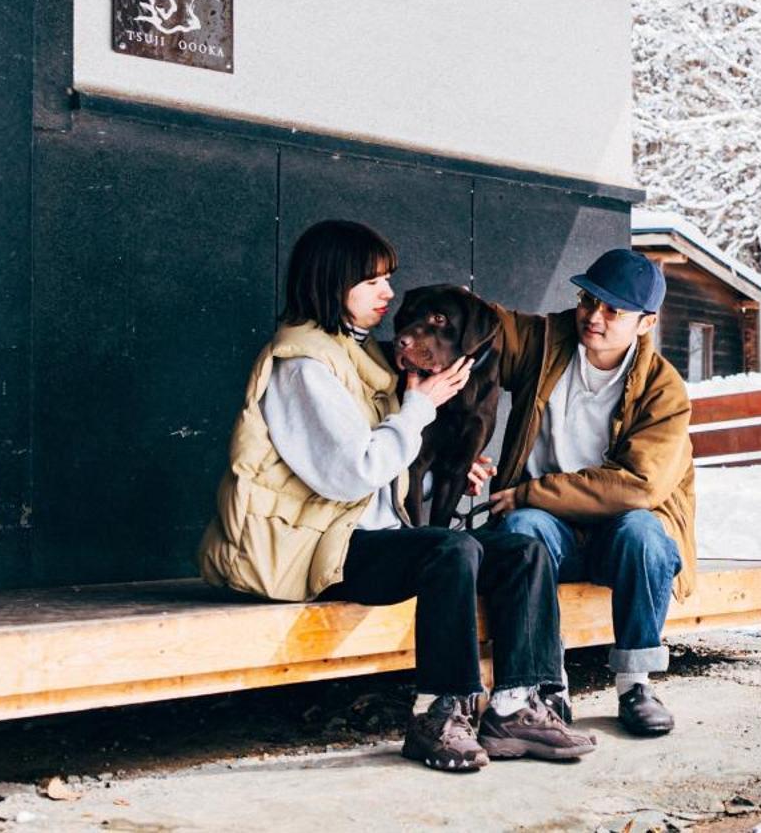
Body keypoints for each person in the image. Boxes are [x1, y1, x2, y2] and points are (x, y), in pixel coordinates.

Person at [198, 219, 595, 772]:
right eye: (371, 282)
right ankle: (438, 713)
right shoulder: (303, 365)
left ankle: (513, 707)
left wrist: (440, 477)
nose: (388, 295)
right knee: (449, 550)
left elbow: (383, 474)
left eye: (388, 280)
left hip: (366, 535)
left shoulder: (356, 354)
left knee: (521, 550)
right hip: (312, 552)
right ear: (331, 284)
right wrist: (419, 408)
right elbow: (351, 473)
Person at [468, 247, 695, 738]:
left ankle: (636, 684)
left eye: (614, 310)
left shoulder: (664, 389)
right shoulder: (546, 341)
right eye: (588, 299)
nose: (594, 316)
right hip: (551, 530)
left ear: (645, 322)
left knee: (646, 533)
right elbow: (490, 324)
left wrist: (533, 491)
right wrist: (455, 306)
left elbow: (639, 485)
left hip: (616, 533)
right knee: (522, 531)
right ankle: (547, 685)